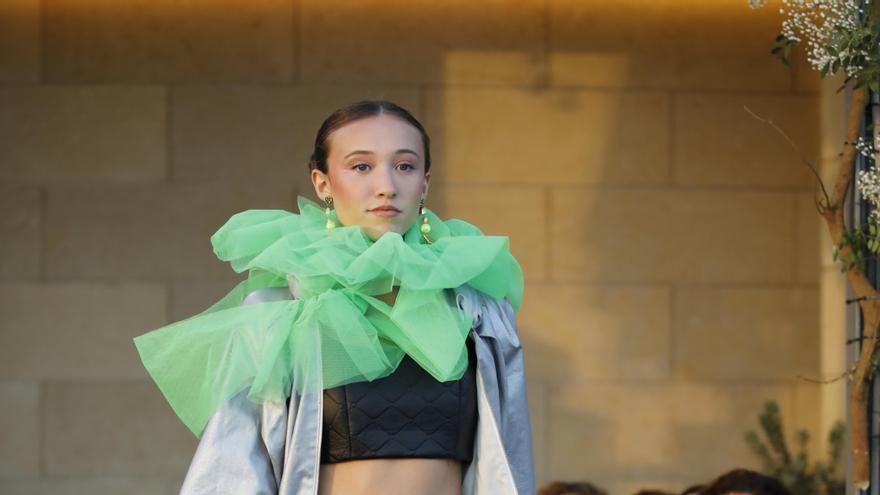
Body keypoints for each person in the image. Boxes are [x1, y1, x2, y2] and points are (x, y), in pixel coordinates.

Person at [133, 100, 534, 494]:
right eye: (361, 166)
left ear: (425, 182)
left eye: (405, 166)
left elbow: (509, 458)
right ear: (322, 184)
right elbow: (234, 463)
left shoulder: (478, 312)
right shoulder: (280, 310)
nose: (386, 186)